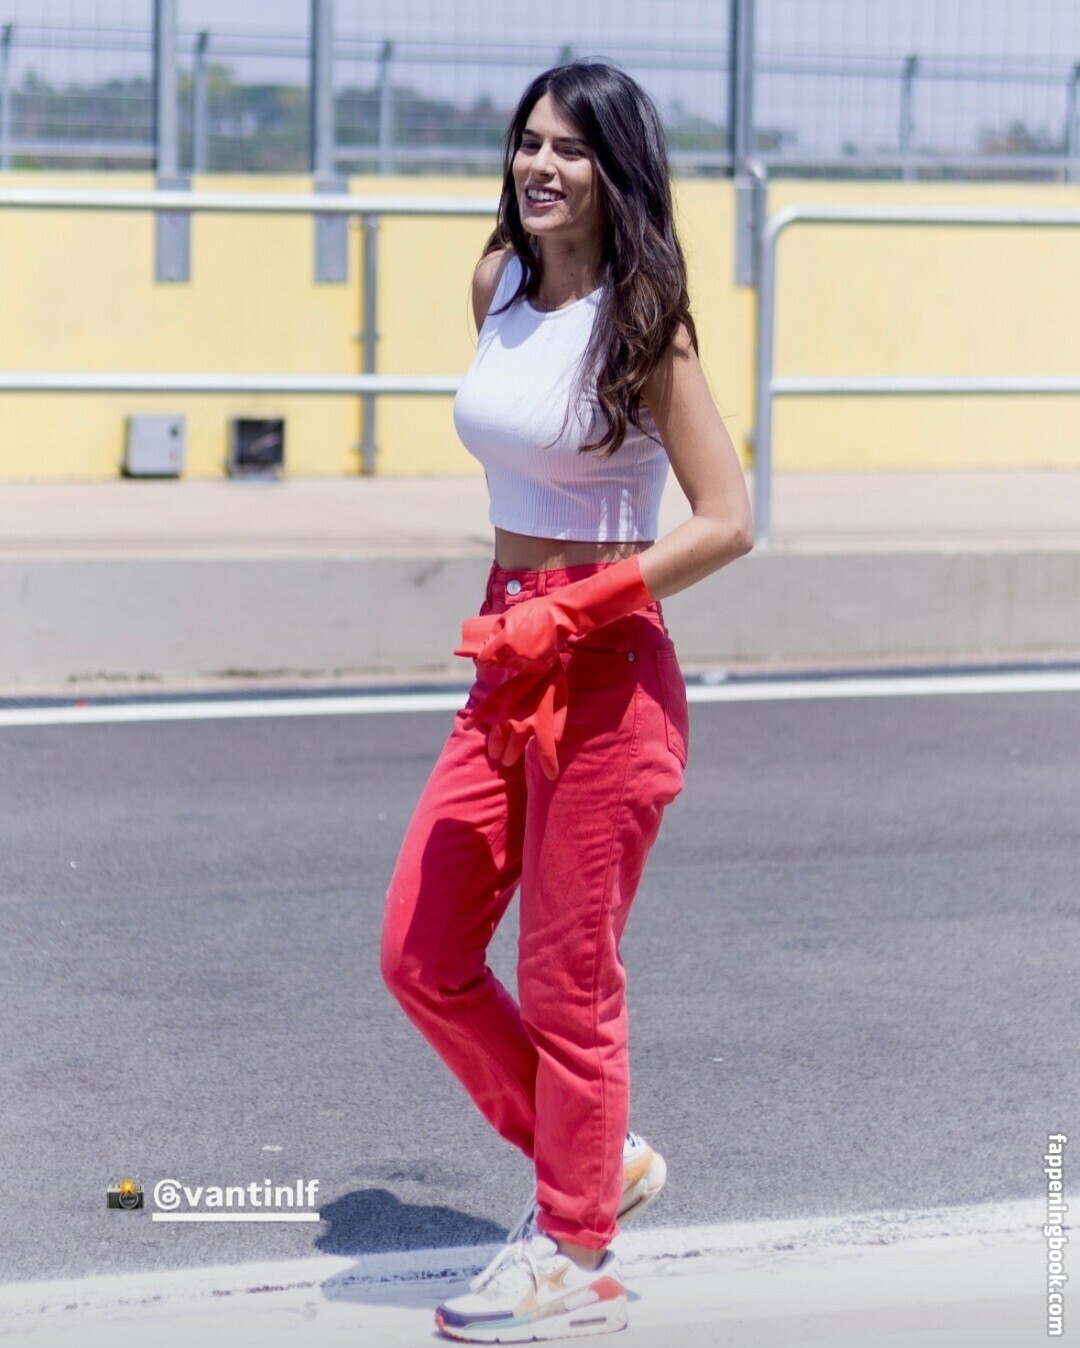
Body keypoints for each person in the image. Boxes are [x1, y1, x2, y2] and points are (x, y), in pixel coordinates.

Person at [380, 59, 753, 1343]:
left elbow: (728, 519)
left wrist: (577, 607)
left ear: (616, 169)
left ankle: (575, 1250)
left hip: (605, 669)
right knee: (421, 953)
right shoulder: (497, 283)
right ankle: (597, 1156)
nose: (541, 164)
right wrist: (523, 615)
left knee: (567, 976)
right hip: (507, 654)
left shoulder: (648, 323)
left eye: (572, 148)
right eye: (530, 140)